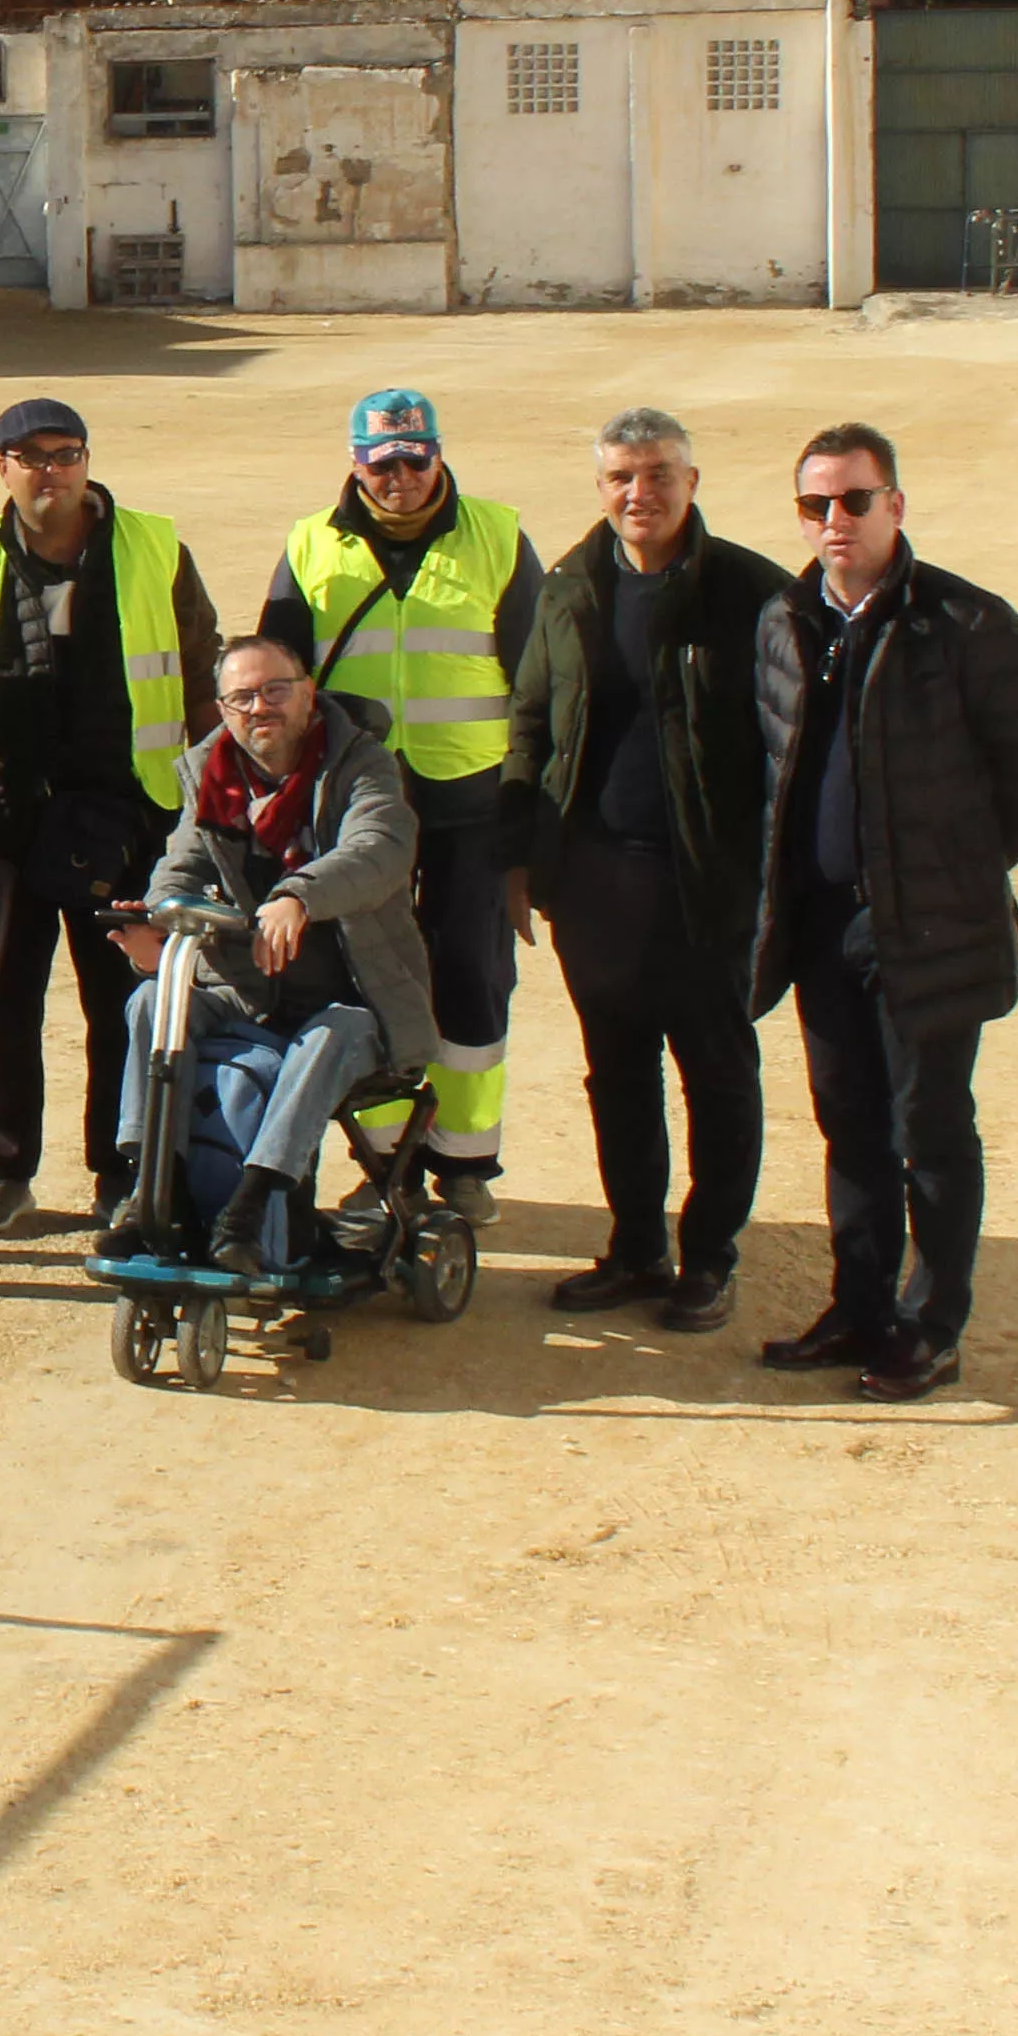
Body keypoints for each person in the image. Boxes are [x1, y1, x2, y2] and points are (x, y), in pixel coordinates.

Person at [746, 423, 1018, 1402]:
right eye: (816, 505)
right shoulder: (785, 620)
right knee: (847, 1121)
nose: (835, 521)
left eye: (855, 500)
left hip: (925, 928)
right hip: (817, 924)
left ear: (897, 504)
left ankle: (932, 1323)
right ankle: (858, 1305)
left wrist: (952, 872)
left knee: (928, 1124)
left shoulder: (967, 624)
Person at [503, 406, 788, 1329]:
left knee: (716, 1069)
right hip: (594, 884)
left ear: (692, 483)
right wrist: (521, 857)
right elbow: (531, 726)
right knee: (616, 1072)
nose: (641, 493)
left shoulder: (752, 593)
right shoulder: (569, 586)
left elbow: (791, 742)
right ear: (601, 488)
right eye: (623, 476)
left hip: (706, 885)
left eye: (660, 474)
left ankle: (709, 1257)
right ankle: (635, 1248)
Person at [0, 396, 227, 1235]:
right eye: (30, 456)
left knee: (126, 1003)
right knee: (3, 1003)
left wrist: (205, 817)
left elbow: (203, 678)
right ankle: (3, 1171)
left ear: (88, 463)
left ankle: (120, 1171)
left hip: (126, 815)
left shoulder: (155, 548)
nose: (50, 471)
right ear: (1, 469)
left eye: (65, 453)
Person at [257, 387, 542, 1215]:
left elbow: (538, 679)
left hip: (471, 801)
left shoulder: (497, 536)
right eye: (382, 462)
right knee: (364, 977)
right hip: (360, 805)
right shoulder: (311, 545)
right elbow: (278, 679)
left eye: (416, 458)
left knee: (472, 976)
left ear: (439, 455)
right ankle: (387, 1163)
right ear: (356, 464)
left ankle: (463, 1164)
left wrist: (529, 812)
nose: (401, 477)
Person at [117, 638, 442, 1275]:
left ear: (308, 692)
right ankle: (151, 1189)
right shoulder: (209, 774)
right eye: (242, 698)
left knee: (332, 1031)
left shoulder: (361, 764)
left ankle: (251, 1206)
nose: (259, 708)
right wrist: (160, 926)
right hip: (245, 995)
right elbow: (178, 868)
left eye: (275, 690)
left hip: (354, 998)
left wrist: (299, 895)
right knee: (152, 1000)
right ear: (222, 709)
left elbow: (379, 848)